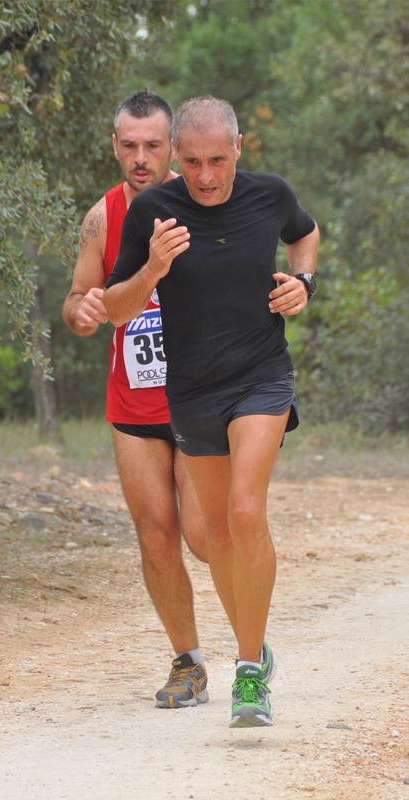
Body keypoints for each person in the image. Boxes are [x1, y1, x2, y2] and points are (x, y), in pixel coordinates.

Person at [103, 96, 320, 728]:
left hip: (260, 377)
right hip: (191, 392)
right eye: (192, 162)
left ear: (239, 149)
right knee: (216, 536)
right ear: (176, 156)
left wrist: (302, 284)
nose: (203, 176)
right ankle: (257, 646)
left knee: (245, 512)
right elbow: (116, 308)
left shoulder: (269, 194)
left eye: (217, 161)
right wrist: (153, 268)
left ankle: (248, 672)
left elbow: (304, 234)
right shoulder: (152, 211)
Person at [62, 90, 209, 709]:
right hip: (133, 404)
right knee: (155, 534)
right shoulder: (102, 215)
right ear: (114, 145)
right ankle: (190, 663)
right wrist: (84, 310)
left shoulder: (203, 203)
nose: (141, 158)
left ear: (173, 146)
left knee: (207, 536)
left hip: (202, 400)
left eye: (154, 145)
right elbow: (74, 302)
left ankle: (253, 640)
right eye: (130, 146)